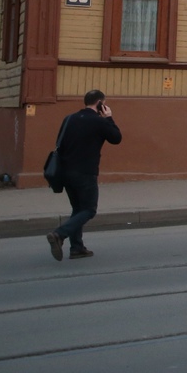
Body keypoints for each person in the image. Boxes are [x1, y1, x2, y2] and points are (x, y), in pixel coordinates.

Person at [45, 90, 122, 261]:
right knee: (88, 209)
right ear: (101, 103)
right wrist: (109, 117)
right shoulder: (99, 122)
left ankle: (77, 248)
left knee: (78, 209)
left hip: (65, 172)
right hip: (85, 172)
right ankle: (59, 234)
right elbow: (116, 138)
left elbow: (61, 142)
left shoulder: (69, 119)